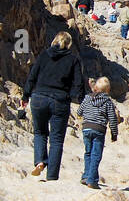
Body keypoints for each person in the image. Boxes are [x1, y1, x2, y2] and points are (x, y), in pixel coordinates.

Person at [22, 31, 84, 180]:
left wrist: (25, 95)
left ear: (54, 40)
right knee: (56, 140)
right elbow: (79, 83)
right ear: (69, 44)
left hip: (39, 97)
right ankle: (52, 176)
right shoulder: (72, 59)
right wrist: (81, 100)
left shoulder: (44, 55)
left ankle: (40, 161)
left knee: (40, 133)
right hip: (60, 100)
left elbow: (33, 75)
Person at [76, 76, 119, 189]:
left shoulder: (87, 98)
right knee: (96, 155)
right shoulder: (108, 102)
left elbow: (79, 112)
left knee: (88, 153)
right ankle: (92, 180)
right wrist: (114, 134)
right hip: (99, 129)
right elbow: (112, 119)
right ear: (107, 90)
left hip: (86, 128)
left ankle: (86, 176)